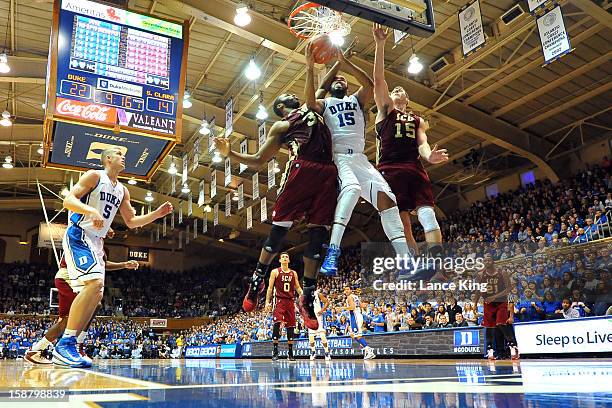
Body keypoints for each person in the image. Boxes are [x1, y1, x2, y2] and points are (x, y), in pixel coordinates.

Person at [214, 92, 337, 332]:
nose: (293, 93)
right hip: (300, 169)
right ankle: (256, 280)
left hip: (327, 172)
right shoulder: (283, 125)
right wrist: (230, 154)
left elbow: (321, 85)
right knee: (279, 232)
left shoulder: (310, 105)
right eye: (286, 95)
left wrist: (327, 61)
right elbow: (260, 159)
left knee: (318, 237)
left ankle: (307, 296)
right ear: (281, 106)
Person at [53, 146, 172, 368]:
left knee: (97, 294)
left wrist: (157, 214)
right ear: (108, 159)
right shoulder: (94, 176)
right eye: (119, 155)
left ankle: (73, 343)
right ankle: (65, 344)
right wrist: (91, 211)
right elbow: (68, 200)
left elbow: (131, 221)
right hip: (79, 234)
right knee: (94, 284)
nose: (123, 158)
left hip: (97, 241)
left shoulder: (122, 191)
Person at [305, 41, 411, 276]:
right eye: (337, 80)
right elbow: (310, 103)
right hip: (340, 159)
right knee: (351, 189)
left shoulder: (356, 100)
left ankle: (404, 259)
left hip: (361, 160)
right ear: (331, 87)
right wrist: (310, 68)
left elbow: (370, 84)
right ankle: (332, 252)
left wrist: (346, 62)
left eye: (344, 79)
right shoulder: (326, 103)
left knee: (388, 201)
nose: (341, 80)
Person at [371, 23, 448, 257]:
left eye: (400, 90)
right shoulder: (385, 110)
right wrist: (380, 44)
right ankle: (414, 265)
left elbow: (422, 144)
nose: (397, 89)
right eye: (393, 90)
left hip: (414, 167)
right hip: (390, 169)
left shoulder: (418, 119)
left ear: (407, 98)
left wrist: (429, 156)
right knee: (403, 224)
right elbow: (378, 80)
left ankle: (437, 264)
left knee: (427, 213)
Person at [25, 253, 138, 365]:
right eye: (111, 232)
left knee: (65, 320)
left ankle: (36, 350)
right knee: (94, 304)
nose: (113, 233)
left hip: (70, 278)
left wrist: (124, 265)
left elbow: (101, 263)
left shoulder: (96, 241)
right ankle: (76, 346)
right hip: (70, 277)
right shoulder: (85, 237)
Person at [477, 254, 519, 360]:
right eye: (485, 260)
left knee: (502, 324)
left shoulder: (502, 273)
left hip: (501, 302)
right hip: (488, 304)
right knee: (490, 328)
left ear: (493, 261)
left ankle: (513, 347)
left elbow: (509, 288)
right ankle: (490, 351)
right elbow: (478, 290)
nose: (487, 261)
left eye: (489, 259)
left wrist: (494, 296)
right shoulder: (480, 274)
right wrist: (474, 303)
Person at [265, 253, 302, 361]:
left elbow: (298, 288)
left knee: (291, 327)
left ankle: (290, 353)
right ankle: (275, 351)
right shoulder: (275, 272)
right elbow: (270, 288)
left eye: (287, 257)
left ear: (289, 260)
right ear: (280, 260)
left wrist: (304, 296)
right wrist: (267, 302)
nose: (285, 258)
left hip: (290, 301)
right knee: (277, 324)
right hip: (279, 301)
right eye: (283, 257)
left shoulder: (293, 273)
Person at [343, 286, 375, 359]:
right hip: (358, 316)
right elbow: (362, 306)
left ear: (351, 290)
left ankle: (368, 349)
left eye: (348, 289)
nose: (346, 291)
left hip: (355, 317)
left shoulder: (350, 297)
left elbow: (352, 307)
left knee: (356, 335)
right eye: (345, 289)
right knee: (354, 334)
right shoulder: (356, 296)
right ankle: (367, 349)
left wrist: (342, 308)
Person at [308, 289, 331, 361]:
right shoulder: (304, 295)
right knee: (311, 338)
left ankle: (327, 353)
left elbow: (327, 302)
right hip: (311, 318)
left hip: (318, 318)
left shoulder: (317, 294)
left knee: (322, 336)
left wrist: (322, 310)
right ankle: (313, 352)